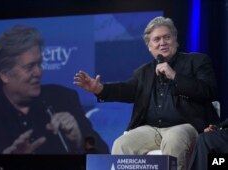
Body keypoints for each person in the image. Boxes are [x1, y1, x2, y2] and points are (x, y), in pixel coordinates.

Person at [74, 16, 220, 170]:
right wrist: (99, 89)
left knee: (174, 138)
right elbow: (127, 90)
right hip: (151, 129)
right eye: (156, 39)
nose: (162, 42)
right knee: (121, 144)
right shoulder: (143, 72)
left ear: (175, 41)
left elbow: (208, 90)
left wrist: (175, 76)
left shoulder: (197, 61)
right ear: (149, 47)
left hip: (186, 126)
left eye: (167, 37)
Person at [0, 25, 109, 155]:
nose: (38, 72)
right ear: (4, 75)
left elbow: (104, 156)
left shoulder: (63, 99)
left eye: (39, 64)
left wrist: (79, 139)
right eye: (29, 67)